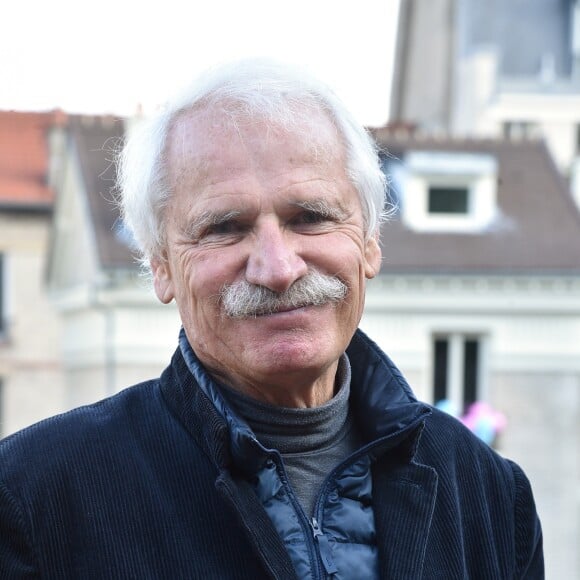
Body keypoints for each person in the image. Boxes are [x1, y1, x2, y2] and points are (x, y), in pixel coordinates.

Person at [0, 60, 543, 579]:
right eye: (225, 227)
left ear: (370, 241)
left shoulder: (489, 495)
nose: (278, 269)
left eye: (310, 218)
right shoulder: (32, 498)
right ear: (160, 266)